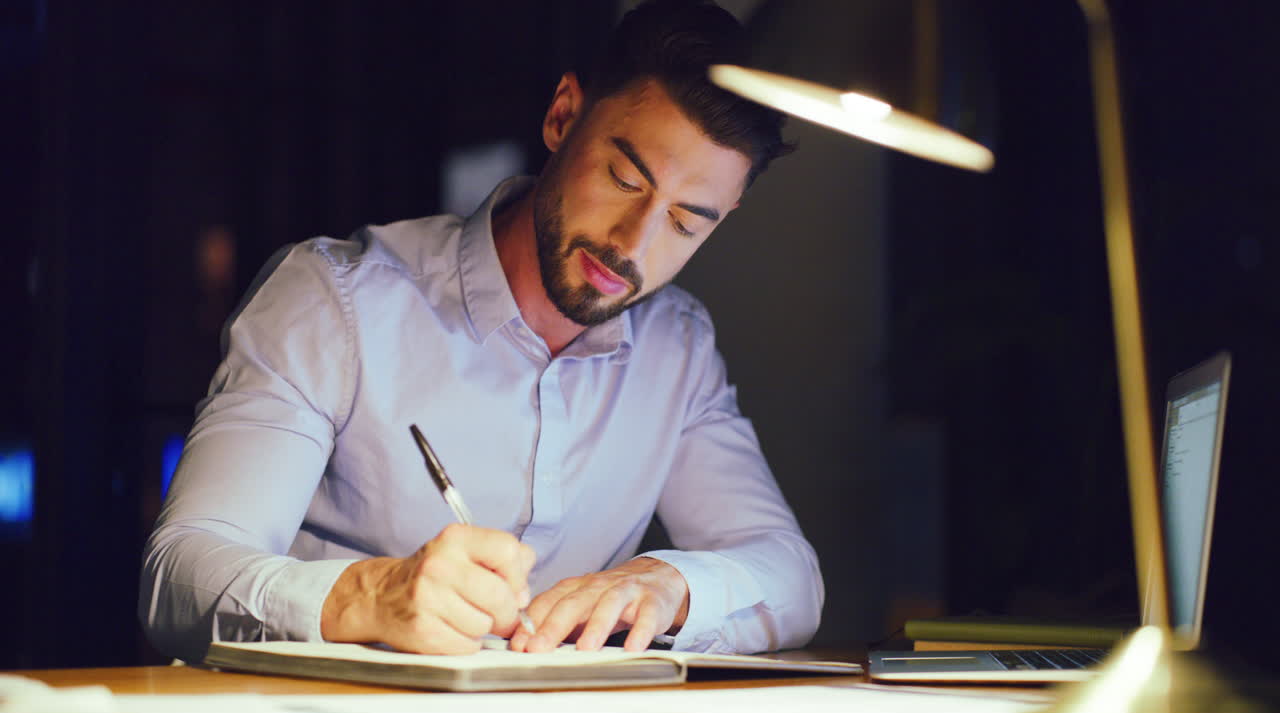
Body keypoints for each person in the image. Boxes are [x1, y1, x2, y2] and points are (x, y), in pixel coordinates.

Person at [139, 0, 823, 663]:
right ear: (563, 116)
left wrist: (673, 585)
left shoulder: (677, 348)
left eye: (685, 222)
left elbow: (791, 577)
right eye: (623, 177)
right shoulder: (333, 302)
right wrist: (365, 597)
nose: (632, 244)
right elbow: (178, 578)